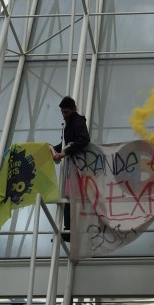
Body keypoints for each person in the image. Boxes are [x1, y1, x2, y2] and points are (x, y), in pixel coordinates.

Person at [52, 96, 90, 242]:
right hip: (73, 166)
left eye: (66, 112)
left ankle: (71, 228)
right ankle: (69, 228)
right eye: (62, 112)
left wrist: (64, 152)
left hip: (78, 166)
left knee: (72, 196)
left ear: (73, 110)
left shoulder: (77, 122)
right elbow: (65, 144)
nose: (64, 115)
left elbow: (84, 139)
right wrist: (52, 149)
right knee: (69, 196)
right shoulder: (70, 123)